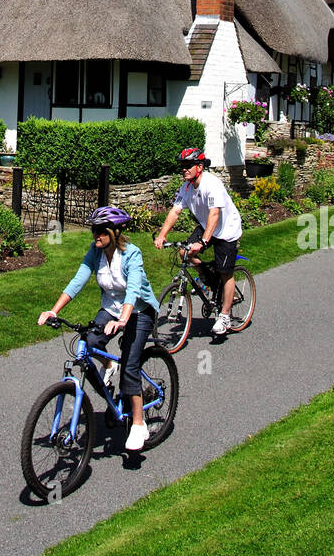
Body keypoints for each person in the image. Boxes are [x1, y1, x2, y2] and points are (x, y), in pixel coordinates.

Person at [37, 206, 159, 452]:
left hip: (138, 311)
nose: (96, 235)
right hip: (111, 309)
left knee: (131, 366)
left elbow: (134, 290)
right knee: (88, 346)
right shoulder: (96, 252)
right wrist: (54, 310)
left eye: (101, 231)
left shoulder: (132, 254)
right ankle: (109, 374)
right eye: (94, 230)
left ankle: (138, 423)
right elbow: (77, 281)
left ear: (114, 232)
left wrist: (124, 320)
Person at [154, 148, 243, 336]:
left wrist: (203, 242)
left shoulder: (212, 184)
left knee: (225, 272)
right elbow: (175, 211)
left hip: (227, 229)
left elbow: (215, 213)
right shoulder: (186, 188)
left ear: (200, 167)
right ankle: (209, 279)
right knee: (184, 252)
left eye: (188, 166)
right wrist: (162, 235)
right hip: (207, 225)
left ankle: (225, 315)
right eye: (182, 166)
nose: (184, 170)